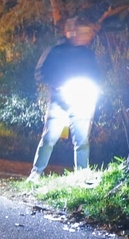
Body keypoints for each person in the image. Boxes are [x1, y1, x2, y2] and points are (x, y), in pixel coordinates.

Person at [28, 17, 103, 182]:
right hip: (59, 100)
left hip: (83, 99)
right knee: (49, 138)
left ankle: (82, 175)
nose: (86, 36)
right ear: (72, 32)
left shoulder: (88, 54)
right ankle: (36, 174)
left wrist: (95, 88)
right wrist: (58, 83)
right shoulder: (55, 51)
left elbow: (97, 75)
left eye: (88, 33)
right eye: (83, 32)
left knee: (82, 140)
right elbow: (40, 72)